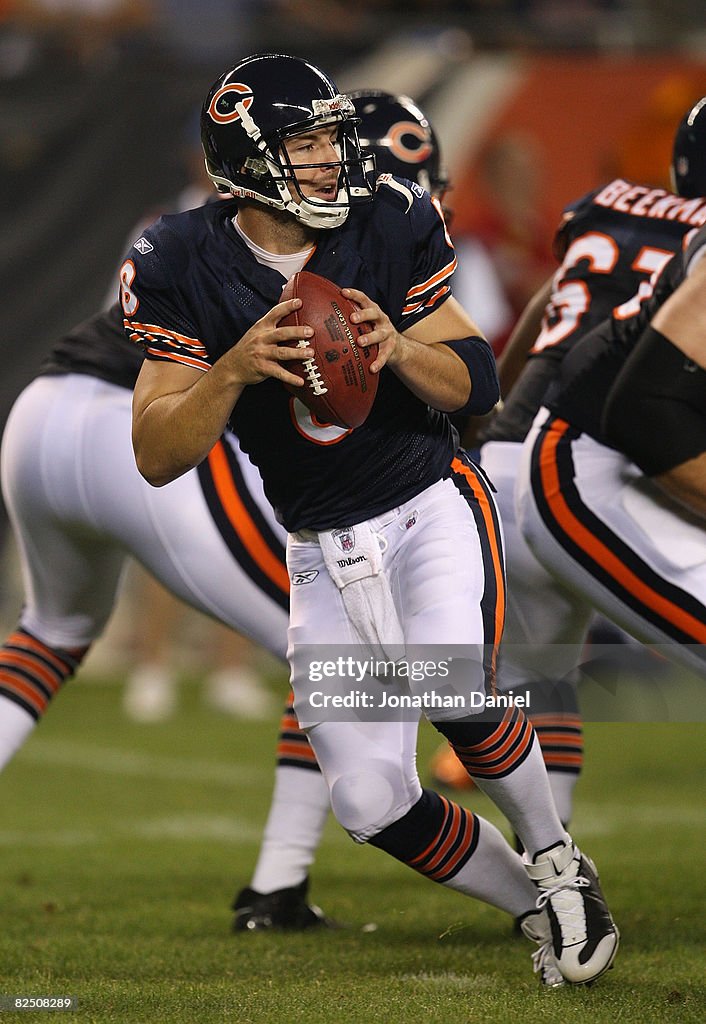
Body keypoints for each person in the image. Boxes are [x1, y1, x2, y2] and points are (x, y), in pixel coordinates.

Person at [127, 52, 618, 987]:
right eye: (306, 143)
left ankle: (556, 856)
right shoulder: (176, 257)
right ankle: (539, 902)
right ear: (249, 157)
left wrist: (396, 349)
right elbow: (156, 455)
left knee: (452, 681)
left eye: (329, 137)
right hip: (319, 542)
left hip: (428, 496)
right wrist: (230, 370)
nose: (330, 159)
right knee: (367, 799)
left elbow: (475, 375)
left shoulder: (387, 215)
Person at [429, 98, 706, 818]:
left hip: (510, 460)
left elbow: (555, 302)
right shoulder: (696, 245)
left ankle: (551, 880)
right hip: (591, 467)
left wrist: (492, 412)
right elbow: (651, 408)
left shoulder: (609, 208)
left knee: (536, 687)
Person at [515, 97, 706, 675]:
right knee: (528, 690)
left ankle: (484, 760)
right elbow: (645, 410)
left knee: (529, 710)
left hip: (646, 463)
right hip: (588, 469)